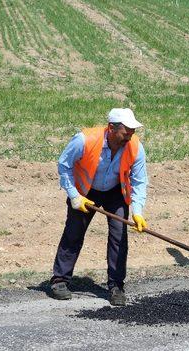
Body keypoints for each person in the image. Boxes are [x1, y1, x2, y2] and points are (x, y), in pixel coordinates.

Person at [49, 108, 148, 306]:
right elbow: (64, 165)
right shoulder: (84, 140)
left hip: (115, 192)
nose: (129, 136)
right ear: (111, 128)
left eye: (132, 131)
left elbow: (139, 182)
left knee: (119, 236)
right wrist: (75, 196)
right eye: (126, 131)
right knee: (74, 232)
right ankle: (60, 280)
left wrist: (137, 212)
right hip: (86, 191)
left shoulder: (135, 146)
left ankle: (116, 286)